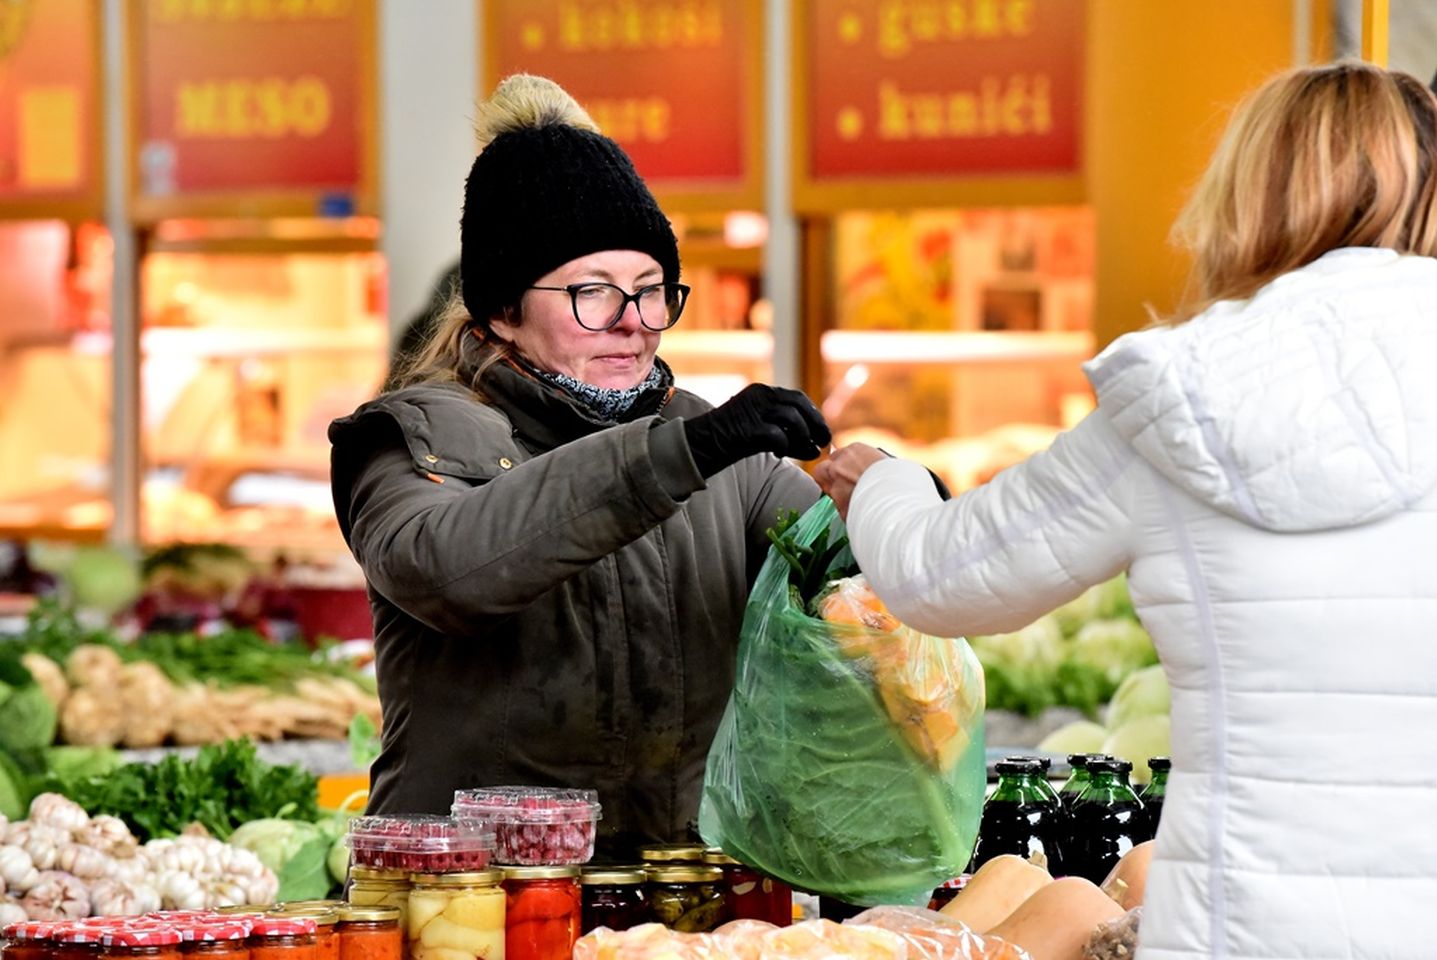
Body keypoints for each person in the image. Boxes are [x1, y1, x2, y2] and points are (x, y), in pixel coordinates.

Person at [816, 61, 1437, 959]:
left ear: (1248, 191)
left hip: (1238, 932)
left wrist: (883, 482)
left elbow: (941, 576)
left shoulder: (1187, 394)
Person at [329, 74, 830, 852]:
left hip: (675, 902)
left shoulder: (719, 450)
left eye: (651, 291)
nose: (633, 324)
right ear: (501, 308)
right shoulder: (411, 435)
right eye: (592, 293)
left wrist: (895, 505)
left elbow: (850, 572)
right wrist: (679, 455)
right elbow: (447, 570)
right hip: (475, 902)